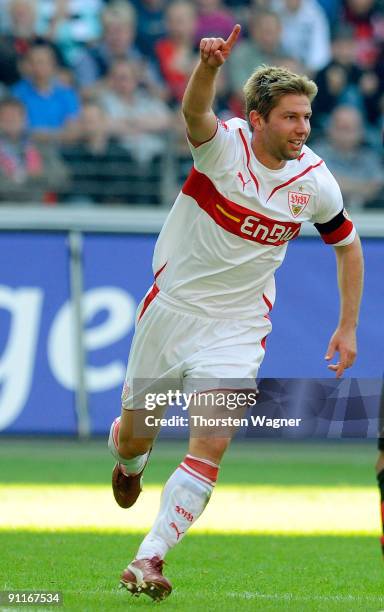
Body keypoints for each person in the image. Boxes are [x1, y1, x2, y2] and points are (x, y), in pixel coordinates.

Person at [108, 24, 363, 602]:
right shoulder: (224, 146)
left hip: (238, 327)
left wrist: (347, 325)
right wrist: (208, 68)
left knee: (212, 444)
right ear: (257, 117)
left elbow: (348, 247)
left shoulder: (314, 182)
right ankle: (130, 457)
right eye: (290, 118)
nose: (302, 130)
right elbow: (193, 111)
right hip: (171, 314)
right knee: (132, 441)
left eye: (306, 118)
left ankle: (149, 558)